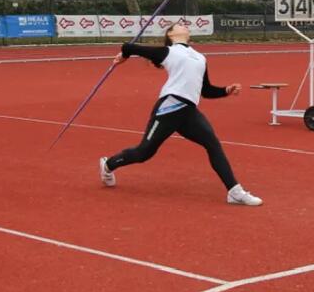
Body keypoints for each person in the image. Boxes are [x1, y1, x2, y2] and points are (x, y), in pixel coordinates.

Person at [98, 23, 263, 205]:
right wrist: (124, 56)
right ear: (171, 34)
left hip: (189, 112)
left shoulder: (200, 57)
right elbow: (128, 46)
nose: (184, 25)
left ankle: (234, 191)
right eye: (179, 24)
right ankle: (108, 164)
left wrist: (226, 90)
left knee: (213, 144)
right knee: (144, 152)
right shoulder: (168, 52)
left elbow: (206, 90)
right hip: (170, 107)